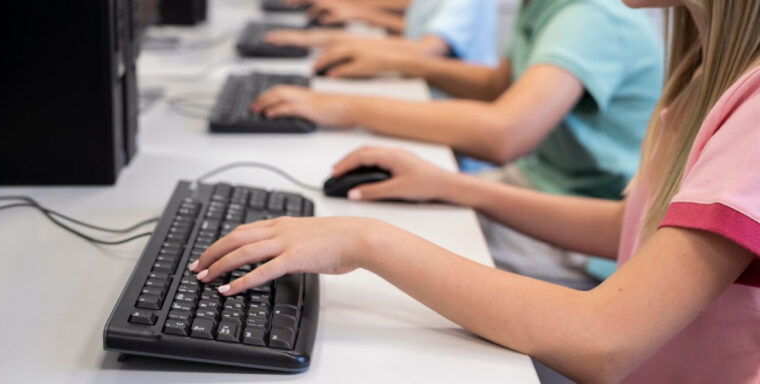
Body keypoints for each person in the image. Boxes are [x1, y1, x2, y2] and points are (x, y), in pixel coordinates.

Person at [190, 0, 760, 381]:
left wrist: (364, 241)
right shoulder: (700, 72)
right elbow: (633, 227)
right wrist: (456, 187)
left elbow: (605, 341)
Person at [254, 0, 664, 288]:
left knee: (387, 261)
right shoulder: (549, 5)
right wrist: (403, 61)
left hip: (581, 223)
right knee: (378, 219)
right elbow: (499, 84)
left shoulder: (591, 15)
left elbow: (504, 135)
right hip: (540, 182)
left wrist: (343, 108)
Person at [265, 0, 498, 66]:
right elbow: (418, 22)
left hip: (453, 125)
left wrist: (320, 39)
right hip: (424, 91)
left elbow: (427, 48)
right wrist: (358, 11)